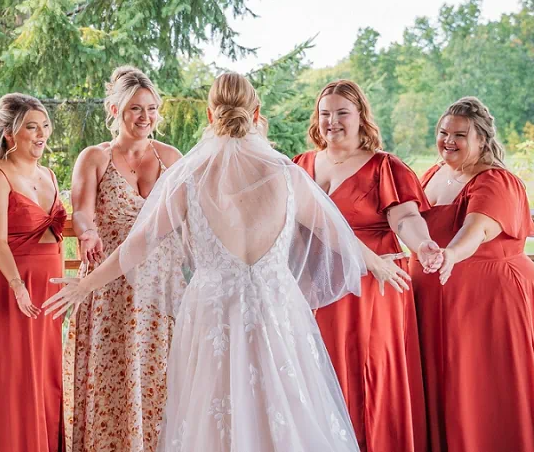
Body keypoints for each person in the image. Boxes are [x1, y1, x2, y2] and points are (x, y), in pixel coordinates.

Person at [47, 72, 368, 451]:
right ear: (256, 112)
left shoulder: (189, 176)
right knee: (283, 404)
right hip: (276, 308)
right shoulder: (287, 173)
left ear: (210, 114)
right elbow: (335, 234)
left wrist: (85, 283)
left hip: (212, 312)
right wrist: (375, 263)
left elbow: (140, 244)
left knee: (211, 414)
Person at [293, 79, 441, 451]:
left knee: (366, 375)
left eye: (342, 113)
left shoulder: (384, 167)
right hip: (312, 287)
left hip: (370, 285)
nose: (332, 121)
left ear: (361, 116)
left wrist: (422, 245)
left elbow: (405, 217)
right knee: (315, 371)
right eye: (325, 113)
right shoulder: (300, 165)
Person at [411, 96, 534, 452]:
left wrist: (451, 256)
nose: (448, 140)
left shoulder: (496, 181)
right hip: (437, 304)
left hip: (487, 306)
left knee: (484, 390)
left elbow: (475, 231)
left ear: (481, 139)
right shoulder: (432, 173)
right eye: (443, 132)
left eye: (459, 135)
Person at [63, 66, 181, 451]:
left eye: (151, 108)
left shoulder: (172, 158)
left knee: (159, 377)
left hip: (158, 290)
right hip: (108, 287)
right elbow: (81, 209)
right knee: (110, 377)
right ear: (115, 110)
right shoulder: (94, 157)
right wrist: (87, 231)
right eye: (135, 109)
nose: (145, 117)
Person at [0, 93, 67, 451]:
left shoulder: (48, 173)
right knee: (16, 376)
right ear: (10, 133)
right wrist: (18, 286)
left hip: (50, 288)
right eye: (32, 127)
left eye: (44, 126)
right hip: (15, 287)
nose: (41, 134)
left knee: (45, 376)